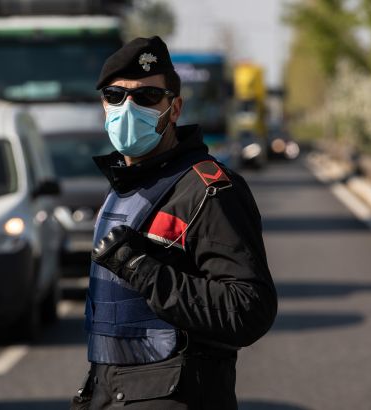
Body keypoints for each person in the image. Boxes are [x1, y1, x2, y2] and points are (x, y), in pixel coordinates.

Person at [72, 36, 277, 410]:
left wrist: (143, 270)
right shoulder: (122, 189)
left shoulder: (209, 190)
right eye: (115, 95)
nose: (128, 107)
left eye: (147, 97)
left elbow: (250, 308)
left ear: (175, 108)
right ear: (103, 104)